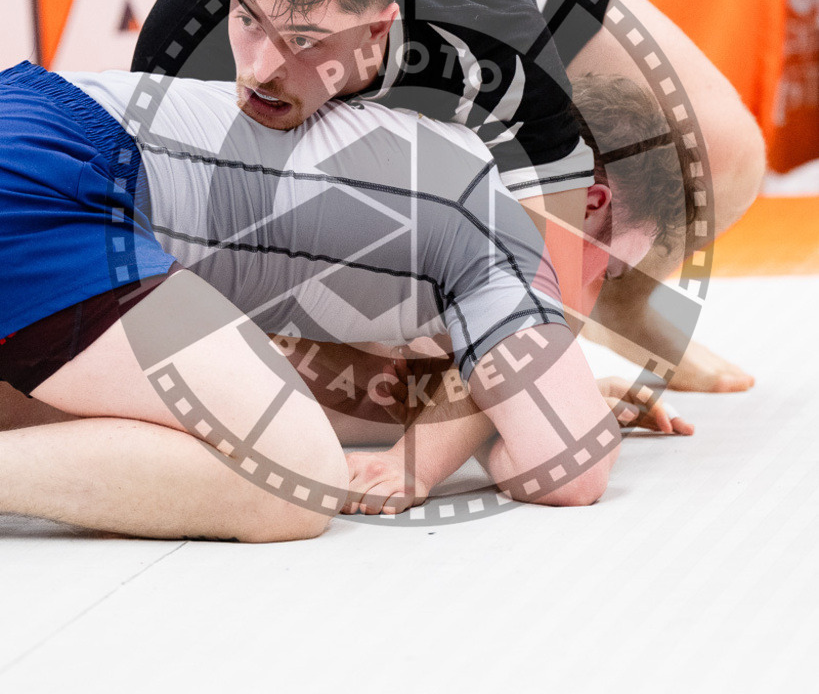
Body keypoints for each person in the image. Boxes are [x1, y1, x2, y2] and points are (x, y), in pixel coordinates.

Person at [132, 0, 765, 393]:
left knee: (718, 149)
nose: (261, 72)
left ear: (377, 29)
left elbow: (555, 234)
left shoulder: (487, 27)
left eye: (303, 40)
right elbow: (162, 258)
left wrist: (528, 379)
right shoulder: (188, 28)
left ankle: (623, 303)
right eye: (250, 24)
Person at [0, 62, 691, 529]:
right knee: (293, 483)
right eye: (607, 275)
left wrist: (508, 396)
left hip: (41, 131)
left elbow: (322, 387)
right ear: (590, 204)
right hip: (53, 176)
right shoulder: (495, 219)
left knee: (116, 406)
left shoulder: (414, 166)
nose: (575, 305)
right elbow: (567, 469)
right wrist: (540, 400)